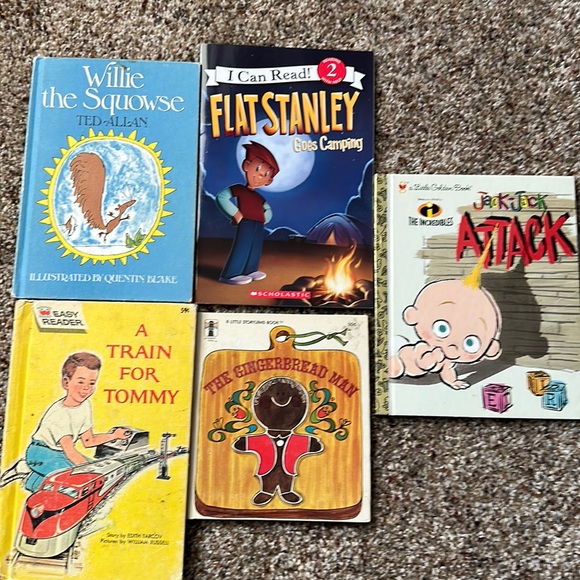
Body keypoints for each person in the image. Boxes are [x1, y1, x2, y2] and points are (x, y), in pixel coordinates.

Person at [0, 352, 129, 491]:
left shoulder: (85, 406)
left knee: (99, 471)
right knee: (72, 482)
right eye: (80, 382)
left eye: (91, 383)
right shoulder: (60, 413)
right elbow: (70, 451)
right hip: (40, 453)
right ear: (66, 382)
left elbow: (88, 441)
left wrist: (114, 436)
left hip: (59, 453)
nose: (86, 387)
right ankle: (30, 478)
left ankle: (30, 471)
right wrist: (92, 473)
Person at [216, 141, 279, 285]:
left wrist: (265, 218)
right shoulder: (239, 189)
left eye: (266, 174)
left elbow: (268, 209)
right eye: (258, 169)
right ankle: (231, 274)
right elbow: (222, 197)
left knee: (255, 247)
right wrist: (235, 213)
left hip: (258, 223)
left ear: (269, 181)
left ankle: (251, 270)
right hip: (246, 222)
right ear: (246, 166)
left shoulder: (259, 197)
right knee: (243, 245)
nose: (260, 176)